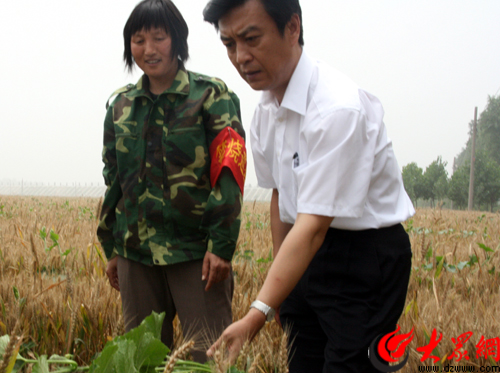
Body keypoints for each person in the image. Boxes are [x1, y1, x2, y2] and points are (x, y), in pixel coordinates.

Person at [203, 0, 415, 371]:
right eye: (229, 44)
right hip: (303, 254)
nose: (240, 57)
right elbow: (279, 196)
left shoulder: (337, 109)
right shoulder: (266, 109)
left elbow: (314, 225)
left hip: (363, 258)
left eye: (251, 38)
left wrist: (257, 313)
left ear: (293, 28)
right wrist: (280, 289)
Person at [97, 0, 246, 363]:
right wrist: (112, 245)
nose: (148, 49)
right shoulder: (120, 105)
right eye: (138, 40)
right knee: (142, 363)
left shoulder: (212, 95)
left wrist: (222, 244)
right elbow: (113, 179)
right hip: (136, 256)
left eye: (159, 38)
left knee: (206, 361)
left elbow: (230, 170)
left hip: (197, 256)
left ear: (177, 41)